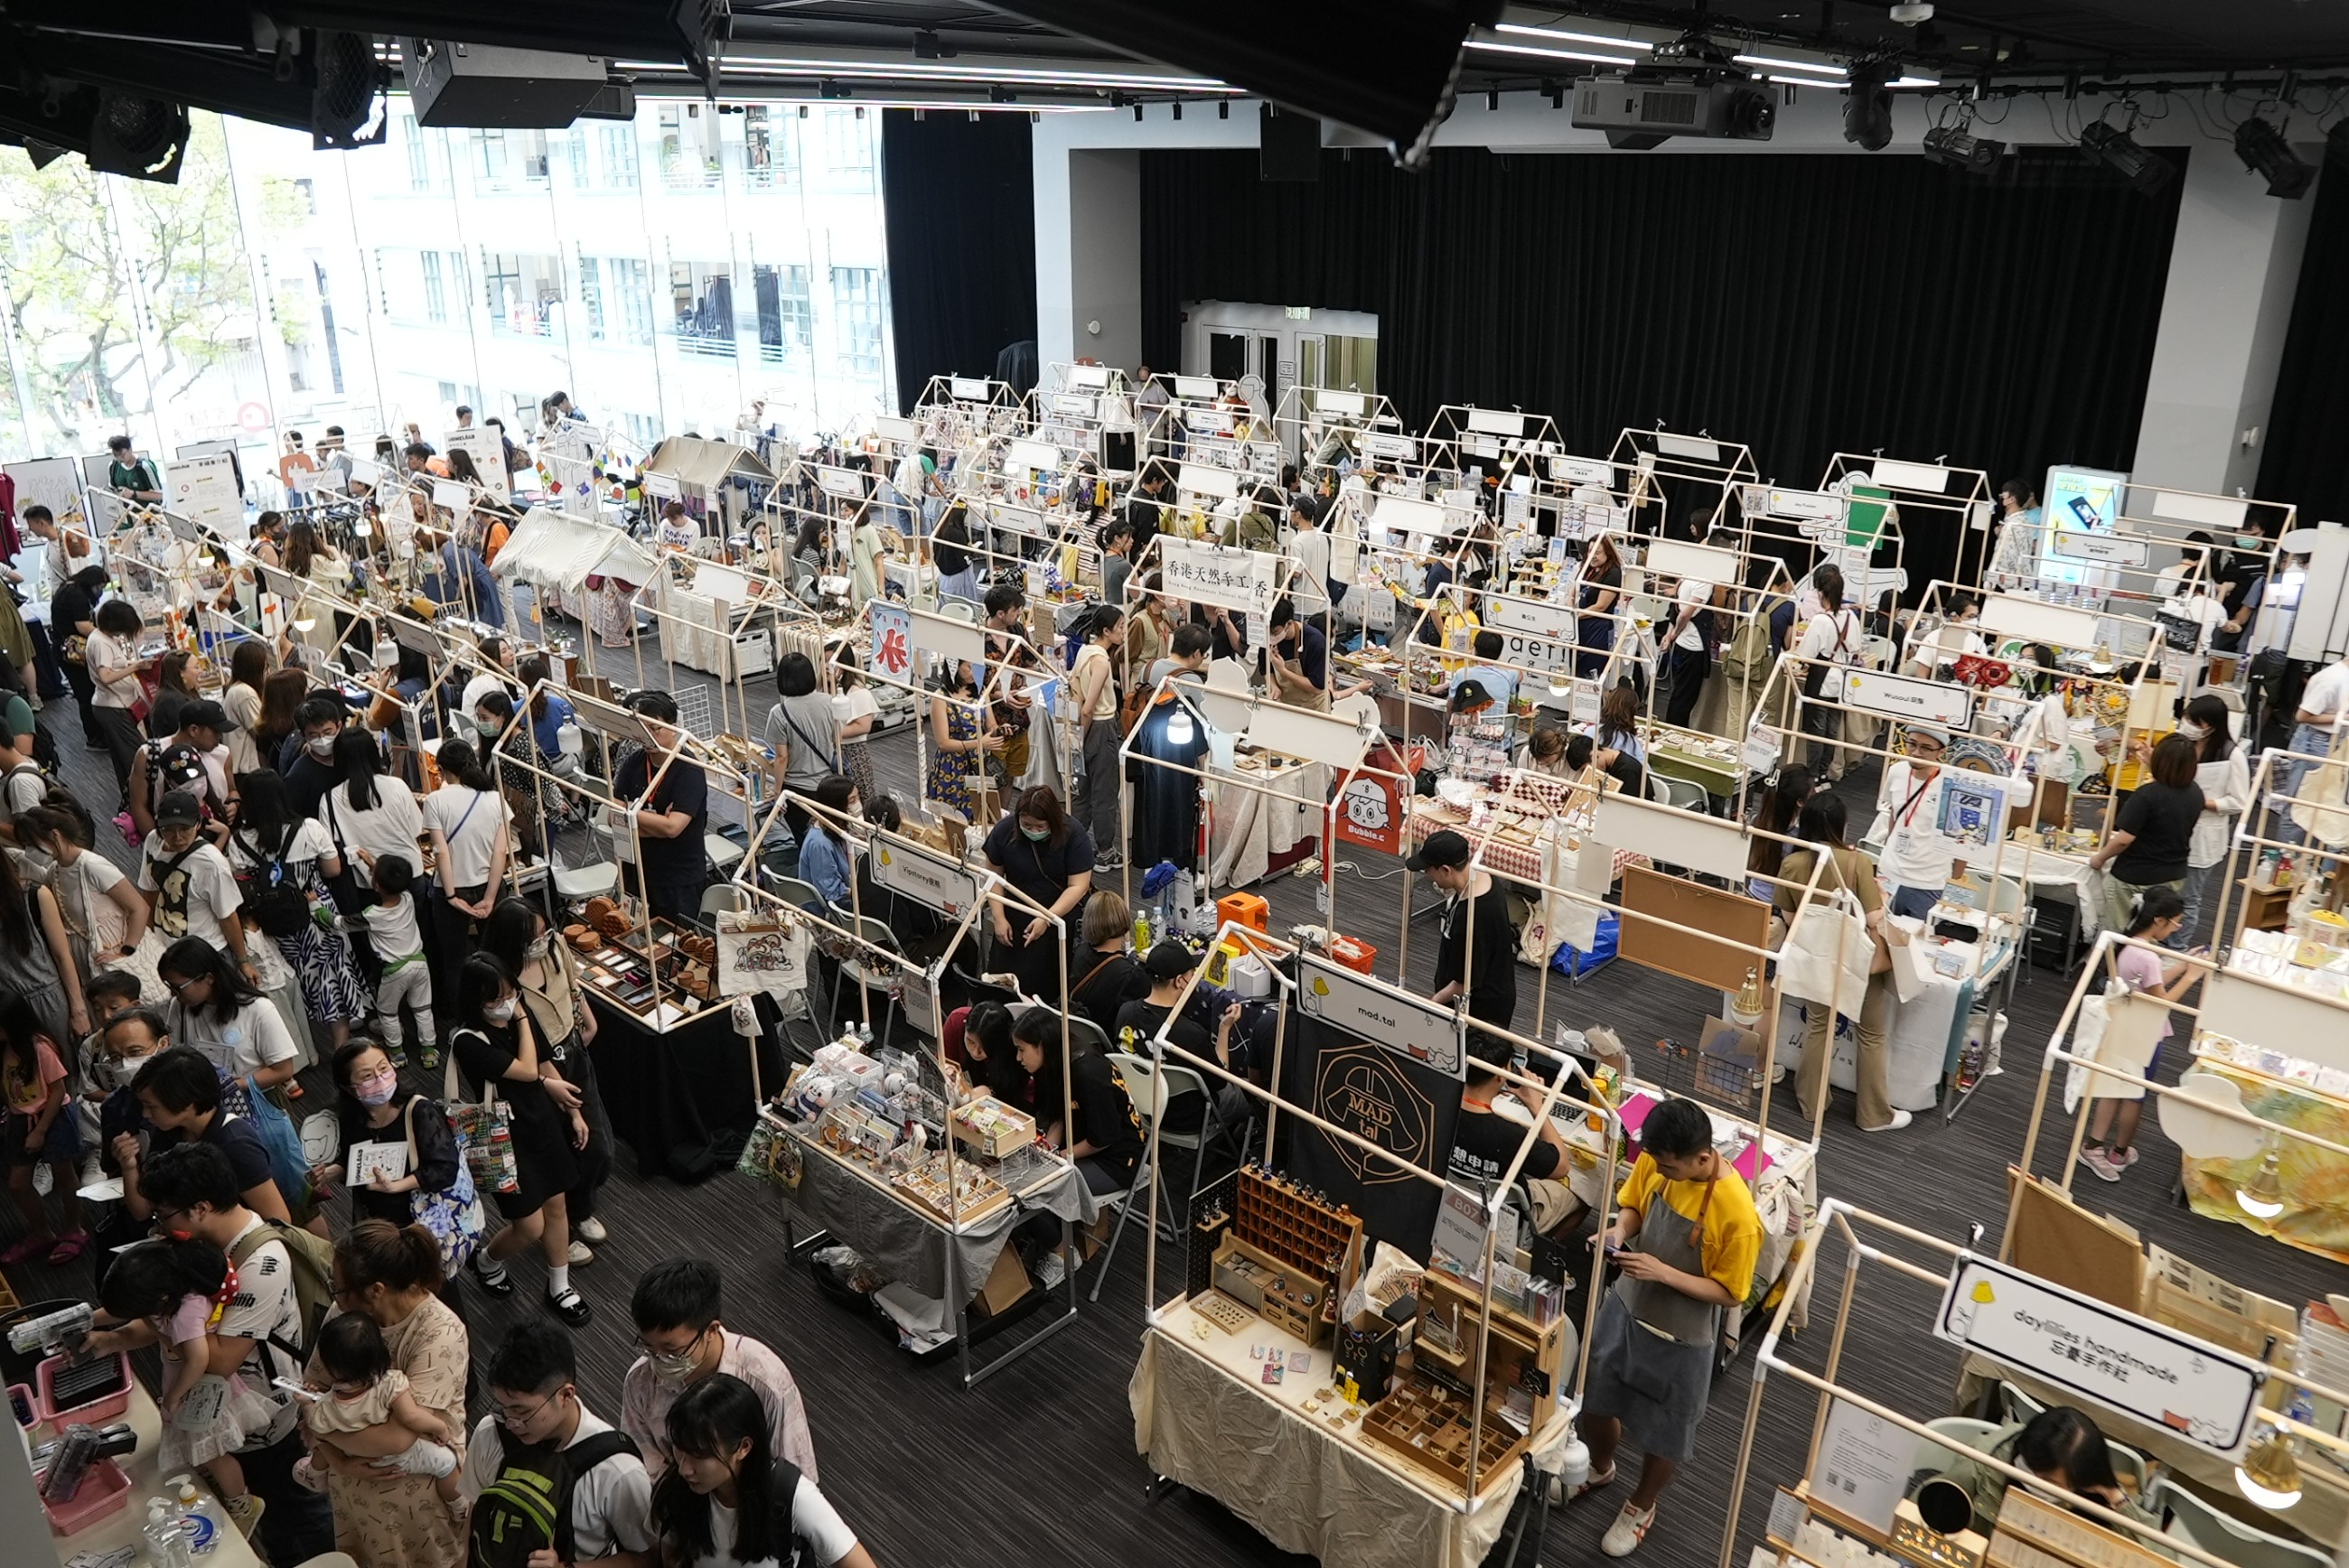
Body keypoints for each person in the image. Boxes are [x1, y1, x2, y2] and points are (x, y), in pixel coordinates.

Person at [129, 1142, 339, 1565]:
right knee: (266, 1518)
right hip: (227, 1413)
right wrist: (112, 1336)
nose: (159, 1226)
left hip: (268, 1417)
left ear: (200, 1208)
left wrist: (159, 1308)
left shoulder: (262, 1264)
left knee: (300, 1513)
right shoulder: (204, 1247)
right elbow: (179, 1322)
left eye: (163, 1215)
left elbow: (221, 1359)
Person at [1577, 1096, 1764, 1558]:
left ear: (1702, 1158)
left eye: (1670, 1168)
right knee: (1596, 1398)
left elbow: (1732, 1292)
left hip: (1683, 1337)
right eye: (1656, 1163)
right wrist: (1620, 1231)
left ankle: (1641, 1505)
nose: (1659, 1171)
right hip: (1626, 1305)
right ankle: (1600, 1466)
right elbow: (1634, 1206)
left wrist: (1664, 1273)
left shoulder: (1737, 1215)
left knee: (1667, 1432)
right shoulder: (1657, 1160)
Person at [306, 1219, 472, 1566]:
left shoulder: (440, 1332)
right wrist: (340, 1462)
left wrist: (324, 1432)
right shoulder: (345, 1315)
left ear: (376, 1290)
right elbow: (313, 1385)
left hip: (418, 1507)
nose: (335, 1297)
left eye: (339, 1288)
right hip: (354, 1498)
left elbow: (398, 1439)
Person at [84, 1237, 273, 1534]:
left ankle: (244, 1505)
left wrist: (175, 1395)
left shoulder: (186, 1312)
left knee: (214, 1453)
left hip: (198, 1388)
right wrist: (87, 1319)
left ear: (158, 1300)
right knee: (199, 1446)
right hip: (183, 1379)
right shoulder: (165, 1289)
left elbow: (198, 1360)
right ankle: (214, 1484)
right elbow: (121, 1309)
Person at [452, 954, 591, 1323]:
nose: (507, 1003)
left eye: (511, 993)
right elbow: (527, 1070)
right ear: (476, 1001)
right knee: (529, 1226)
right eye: (495, 999)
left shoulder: (517, 1013)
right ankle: (486, 1260)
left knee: (557, 1206)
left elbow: (544, 1064)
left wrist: (574, 1112)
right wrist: (523, 1017)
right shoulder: (468, 1040)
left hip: (542, 1124)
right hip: (503, 1136)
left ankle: (559, 1286)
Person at [482, 897, 613, 1265]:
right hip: (535, 1071)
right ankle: (562, 1228)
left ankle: (580, 1208)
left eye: (545, 932)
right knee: (557, 1155)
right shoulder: (498, 977)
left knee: (597, 1147)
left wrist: (587, 1020)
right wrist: (543, 1078)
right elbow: (506, 1043)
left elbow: (572, 985)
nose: (542, 941)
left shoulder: (555, 947)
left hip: (573, 1050)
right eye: (533, 937)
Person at [461, 1319, 654, 1562]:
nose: (511, 1422)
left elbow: (648, 1558)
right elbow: (475, 1509)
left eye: (522, 1411)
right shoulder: (491, 1432)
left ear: (565, 1395)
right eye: (502, 1407)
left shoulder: (618, 1471)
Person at [1773, 795, 1907, 1134]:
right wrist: (1882, 897)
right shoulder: (1857, 862)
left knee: (1818, 1027)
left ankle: (1811, 1103)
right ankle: (1873, 1115)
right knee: (1871, 1035)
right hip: (1856, 960)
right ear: (1841, 825)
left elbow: (1790, 918)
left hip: (1817, 957)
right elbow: (1873, 918)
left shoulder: (1793, 864)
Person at [621, 1257, 820, 1483]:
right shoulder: (640, 1380)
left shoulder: (765, 1378)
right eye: (648, 1347)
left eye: (672, 1351)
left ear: (711, 1331)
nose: (658, 1360)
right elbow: (643, 1467)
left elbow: (795, 1477)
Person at [650, 1373, 877, 1568]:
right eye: (679, 1450)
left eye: (699, 1455)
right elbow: (671, 1559)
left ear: (743, 1448)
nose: (684, 1469)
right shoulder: (677, 1492)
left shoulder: (790, 1496)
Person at [226, 769, 368, 1053]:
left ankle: (299, 1046)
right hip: (315, 911)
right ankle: (340, 1044)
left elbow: (238, 879)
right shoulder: (310, 828)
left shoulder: (239, 840)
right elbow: (333, 869)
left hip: (270, 919)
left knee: (288, 979)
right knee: (329, 975)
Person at [2080, 888, 2203, 1182]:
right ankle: (2118, 1152)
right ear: (2159, 921)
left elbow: (2150, 984)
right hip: (2145, 1031)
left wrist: (2181, 965)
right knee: (2134, 1096)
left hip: (2124, 1024)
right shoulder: (2149, 957)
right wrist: (2190, 977)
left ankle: (2095, 1146)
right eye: (2176, 922)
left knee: (2114, 1087)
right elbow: (2161, 1002)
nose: (2178, 927)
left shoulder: (2129, 943)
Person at [302, 1311, 466, 1523]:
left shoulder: (326, 1405)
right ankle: (459, 1507)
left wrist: (306, 1403)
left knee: (322, 1442)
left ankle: (314, 1473)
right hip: (396, 1459)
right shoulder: (391, 1383)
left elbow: (315, 1425)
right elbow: (411, 1417)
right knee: (446, 1463)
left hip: (353, 1457)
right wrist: (440, 1428)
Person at [116, 1042, 295, 1228]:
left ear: (186, 1102)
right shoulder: (169, 1132)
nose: (145, 1114)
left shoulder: (236, 1145)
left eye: (151, 1106)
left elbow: (279, 1221)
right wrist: (129, 1167)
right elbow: (143, 1210)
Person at [1943, 1405, 2158, 1536]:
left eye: (2049, 1481)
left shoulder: (2096, 1492)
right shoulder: (1987, 1463)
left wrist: (2114, 1496)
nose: (2033, 1480)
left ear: (2080, 1482)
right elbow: (1933, 1513)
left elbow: (2162, 1558)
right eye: (2029, 1467)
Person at [1449, 1032, 1581, 1235]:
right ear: (1500, 1075)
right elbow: (1562, 1167)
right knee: (1581, 1192)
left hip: (1451, 1203)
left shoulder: (1438, 1108)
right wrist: (1537, 1106)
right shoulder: (1510, 1135)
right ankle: (1536, 1248)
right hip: (1504, 1220)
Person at [1114, 941, 1253, 1129]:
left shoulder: (1125, 1011)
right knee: (1252, 1093)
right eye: (1192, 974)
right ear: (1179, 981)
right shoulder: (1190, 1034)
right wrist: (1224, 1030)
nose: (1195, 978)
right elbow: (1221, 1078)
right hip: (1186, 1118)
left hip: (1142, 1104)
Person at [1010, 1003, 1142, 1198]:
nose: (1018, 1057)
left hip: (1116, 1159)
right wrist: (1048, 1150)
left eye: (1021, 1050)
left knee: (1038, 1189)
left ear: (1042, 1046)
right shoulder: (1051, 1064)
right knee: (1025, 1170)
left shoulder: (1088, 1073)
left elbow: (1103, 1139)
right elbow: (1059, 1113)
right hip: (1079, 1140)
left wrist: (1058, 1157)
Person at [17, 804, 148, 994]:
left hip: (115, 956)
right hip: (87, 962)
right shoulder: (54, 872)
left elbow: (139, 908)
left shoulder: (93, 866)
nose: (29, 851)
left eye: (31, 844)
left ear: (54, 835)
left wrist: (126, 952)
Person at [984, 786, 1095, 1000]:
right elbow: (992, 877)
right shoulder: (1005, 830)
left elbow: (1078, 886)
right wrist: (998, 917)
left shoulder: (1073, 834)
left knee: (1048, 989)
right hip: (1014, 919)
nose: (1033, 831)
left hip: (1058, 919)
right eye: (1026, 825)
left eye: (1040, 826)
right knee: (1003, 988)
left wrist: (1047, 917)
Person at [422, 738, 512, 1003]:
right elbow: (500, 852)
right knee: (496, 956)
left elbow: (441, 853)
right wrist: (491, 898)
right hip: (489, 886)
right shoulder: (495, 798)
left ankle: (460, 1015)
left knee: (454, 961)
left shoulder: (435, 800)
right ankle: (500, 1004)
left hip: (451, 889)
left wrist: (451, 896)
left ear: (442, 769)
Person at [0, 984, 84, 1264]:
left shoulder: (40, 1048)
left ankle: (74, 1229)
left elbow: (57, 1091)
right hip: (21, 1118)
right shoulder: (7, 1047)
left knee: (64, 1175)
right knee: (17, 1183)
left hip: (52, 1117)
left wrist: (40, 1130)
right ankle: (42, 1233)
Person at [2087, 735, 2204, 938]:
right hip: (2173, 873)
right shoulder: (2195, 793)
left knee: (2115, 933)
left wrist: (2099, 858)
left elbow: (2124, 839)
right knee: (2151, 932)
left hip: (2134, 874)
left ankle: (2112, 959)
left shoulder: (2147, 795)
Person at [157, 935, 300, 1094]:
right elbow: (175, 1054)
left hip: (254, 1097)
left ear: (209, 978)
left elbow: (283, 1070)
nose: (173, 994)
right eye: (169, 986)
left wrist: (238, 1085)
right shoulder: (181, 1006)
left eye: (178, 988)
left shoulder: (258, 1009)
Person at [1411, 828, 1518, 1039]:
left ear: (1446, 870)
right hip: (1494, 988)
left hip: (1480, 1010)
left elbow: (1463, 983)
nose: (1428, 875)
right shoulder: (1483, 879)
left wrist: (1433, 1002)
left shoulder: (1472, 917)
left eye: (1428, 870)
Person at [617, 690, 709, 922]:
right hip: (637, 871)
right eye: (642, 729)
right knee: (636, 933)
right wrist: (657, 822)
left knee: (678, 940)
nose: (648, 736)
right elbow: (613, 815)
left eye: (655, 729)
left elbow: (673, 828)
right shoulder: (634, 762)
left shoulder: (689, 770)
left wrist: (633, 814)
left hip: (677, 877)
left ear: (673, 728)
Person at [140, 789, 251, 968]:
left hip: (204, 953)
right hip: (165, 948)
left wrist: (243, 962)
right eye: (168, 830)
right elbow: (149, 891)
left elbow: (228, 916)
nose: (178, 837)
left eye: (185, 829)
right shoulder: (153, 841)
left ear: (198, 824)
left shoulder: (212, 863)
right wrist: (147, 936)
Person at [2179, 695, 2251, 947]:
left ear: (2211, 725)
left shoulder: (2232, 755)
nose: (2188, 725)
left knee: (2189, 896)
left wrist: (2202, 801)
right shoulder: (2183, 744)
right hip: (2175, 826)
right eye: (2187, 719)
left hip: (2204, 834)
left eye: (2195, 722)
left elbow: (2239, 801)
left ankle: (2178, 945)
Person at [0, 837, 83, 1045]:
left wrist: (78, 1010)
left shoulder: (34, 895)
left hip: (48, 1002)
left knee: (65, 1061)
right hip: (6, 1010)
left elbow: (62, 955)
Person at [1872, 725, 1960, 919]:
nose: (1916, 753)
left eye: (1926, 748)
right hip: (1890, 872)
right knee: (1879, 929)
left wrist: (1956, 884)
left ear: (1941, 752)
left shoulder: (1952, 784)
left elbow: (1963, 839)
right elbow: (1895, 813)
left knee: (1918, 936)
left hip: (1929, 881)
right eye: (1911, 744)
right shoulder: (1896, 771)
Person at [1791, 565, 1862, 778]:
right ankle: (1822, 773)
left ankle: (1812, 775)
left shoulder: (1821, 620)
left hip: (1822, 677)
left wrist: (1797, 665)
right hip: (1843, 678)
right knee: (1832, 728)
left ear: (1821, 593)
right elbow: (1856, 648)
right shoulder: (1851, 617)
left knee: (1817, 729)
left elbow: (1805, 654)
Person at [1070, 601, 1126, 867]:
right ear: (1106, 630)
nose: (1123, 631)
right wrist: (1082, 736)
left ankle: (1074, 842)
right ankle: (1105, 852)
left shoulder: (1085, 651)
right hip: (1100, 728)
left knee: (1082, 790)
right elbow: (1089, 708)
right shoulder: (1101, 661)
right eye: (1120, 627)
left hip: (1084, 727)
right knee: (1104, 793)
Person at [766, 651, 840, 848]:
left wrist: (777, 791)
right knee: (833, 838)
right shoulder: (829, 702)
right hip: (828, 783)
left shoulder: (779, 712)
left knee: (806, 842)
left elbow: (781, 757)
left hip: (798, 788)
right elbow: (837, 739)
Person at [84, 593, 151, 792]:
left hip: (109, 704)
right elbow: (106, 676)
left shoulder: (100, 638)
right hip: (114, 706)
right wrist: (135, 667)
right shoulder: (101, 643)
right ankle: (141, 798)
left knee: (123, 757)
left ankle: (131, 797)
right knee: (136, 757)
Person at [923, 660, 999, 823]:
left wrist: (998, 730)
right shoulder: (940, 697)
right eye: (969, 667)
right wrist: (979, 743)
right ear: (954, 667)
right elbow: (943, 743)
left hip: (978, 763)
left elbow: (991, 723)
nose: (974, 673)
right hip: (952, 766)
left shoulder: (981, 690)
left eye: (977, 667)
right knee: (952, 817)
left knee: (980, 814)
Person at [1069, 890, 1146, 1036]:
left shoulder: (1080, 951)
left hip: (1081, 1032)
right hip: (1110, 1037)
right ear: (1123, 919)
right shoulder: (1128, 974)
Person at [51, 561, 108, 743]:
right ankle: (95, 737)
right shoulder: (77, 597)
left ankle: (96, 735)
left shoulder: (68, 589)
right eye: (100, 586)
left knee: (84, 693)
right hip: (73, 651)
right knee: (87, 693)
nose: (100, 591)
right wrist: (106, 637)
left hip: (64, 648)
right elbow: (83, 626)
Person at [1745, 765, 1816, 907]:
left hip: (1755, 893)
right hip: (1785, 905)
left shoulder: (1758, 821)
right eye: (1813, 792)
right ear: (1800, 802)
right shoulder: (1802, 834)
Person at [795, 775, 858, 910]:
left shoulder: (835, 828)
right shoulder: (820, 844)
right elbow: (831, 891)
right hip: (832, 908)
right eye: (852, 800)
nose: (858, 804)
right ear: (838, 806)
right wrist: (862, 892)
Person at [829, 646, 878, 806]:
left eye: (830, 662)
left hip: (853, 751)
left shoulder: (857, 691)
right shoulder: (825, 687)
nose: (826, 666)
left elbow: (864, 726)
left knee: (860, 796)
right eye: (823, 661)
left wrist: (834, 733)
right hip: (833, 750)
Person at [1986, 478, 2045, 589]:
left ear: (2011, 499)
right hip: (2020, 581)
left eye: (2003, 496)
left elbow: (2007, 558)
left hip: (2007, 584)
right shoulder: (2024, 521)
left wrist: (1993, 580)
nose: (2001, 499)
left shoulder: (2012, 526)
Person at [146, 649, 199, 739]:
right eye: (196, 667)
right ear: (181, 673)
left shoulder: (180, 693)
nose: (201, 671)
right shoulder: (173, 701)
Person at [107, 434, 164, 502]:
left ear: (130, 449)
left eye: (122, 455)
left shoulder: (144, 466)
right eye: (116, 455)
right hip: (124, 508)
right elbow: (113, 489)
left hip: (146, 508)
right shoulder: (113, 466)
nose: (119, 458)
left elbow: (159, 495)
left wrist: (134, 494)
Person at [1099, 516, 1136, 612]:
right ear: (1117, 538)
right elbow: (1136, 594)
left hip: (1106, 607)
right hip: (1123, 610)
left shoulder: (1102, 559)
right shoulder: (1124, 565)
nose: (1132, 540)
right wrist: (1134, 573)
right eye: (1128, 537)